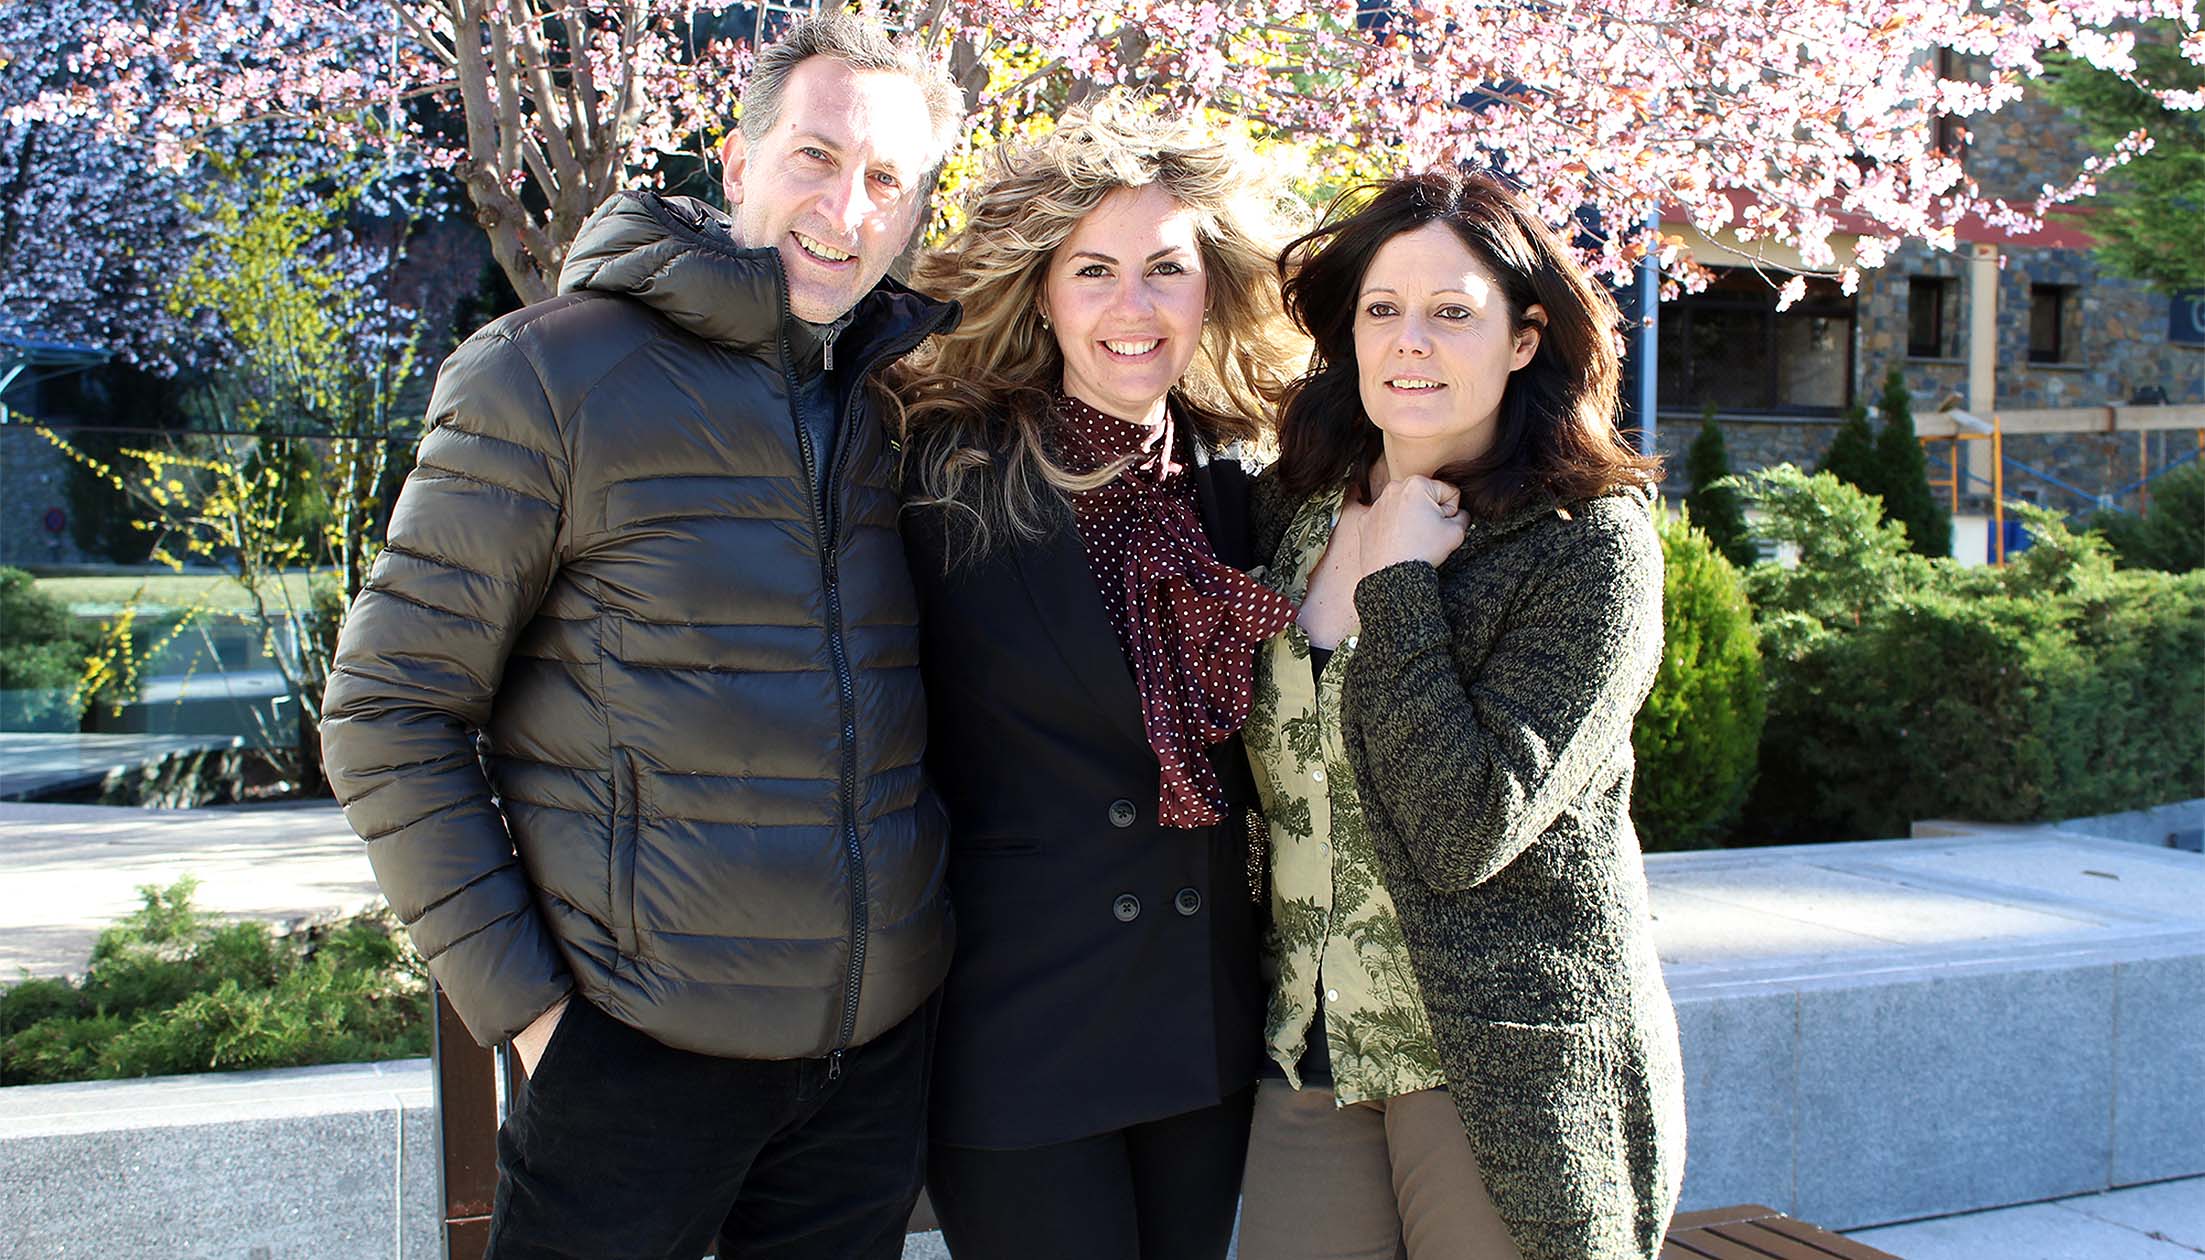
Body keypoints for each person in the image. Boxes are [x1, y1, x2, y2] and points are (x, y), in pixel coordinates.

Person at [317, 12, 966, 1259]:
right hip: (631, 1068)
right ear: (737, 166)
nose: (848, 205)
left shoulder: (886, 403)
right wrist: (535, 1021)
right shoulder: (550, 376)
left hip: (866, 1071)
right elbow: (388, 712)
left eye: (888, 180)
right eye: (817, 158)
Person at [1233, 170, 1687, 1260]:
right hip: (1309, 1046)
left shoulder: (1588, 545)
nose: (1410, 344)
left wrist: (1399, 588)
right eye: (1383, 310)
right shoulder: (1291, 509)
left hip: (1493, 1063)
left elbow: (1468, 824)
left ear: (1526, 338)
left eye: (1452, 312)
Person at [892, 96, 1307, 1260]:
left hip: (1200, 1027)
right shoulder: (949, 479)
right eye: (1095, 271)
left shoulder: (1247, 484)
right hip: (1020, 1031)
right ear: (1040, 289)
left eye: (1167, 270)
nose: (1135, 309)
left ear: (1212, 286)